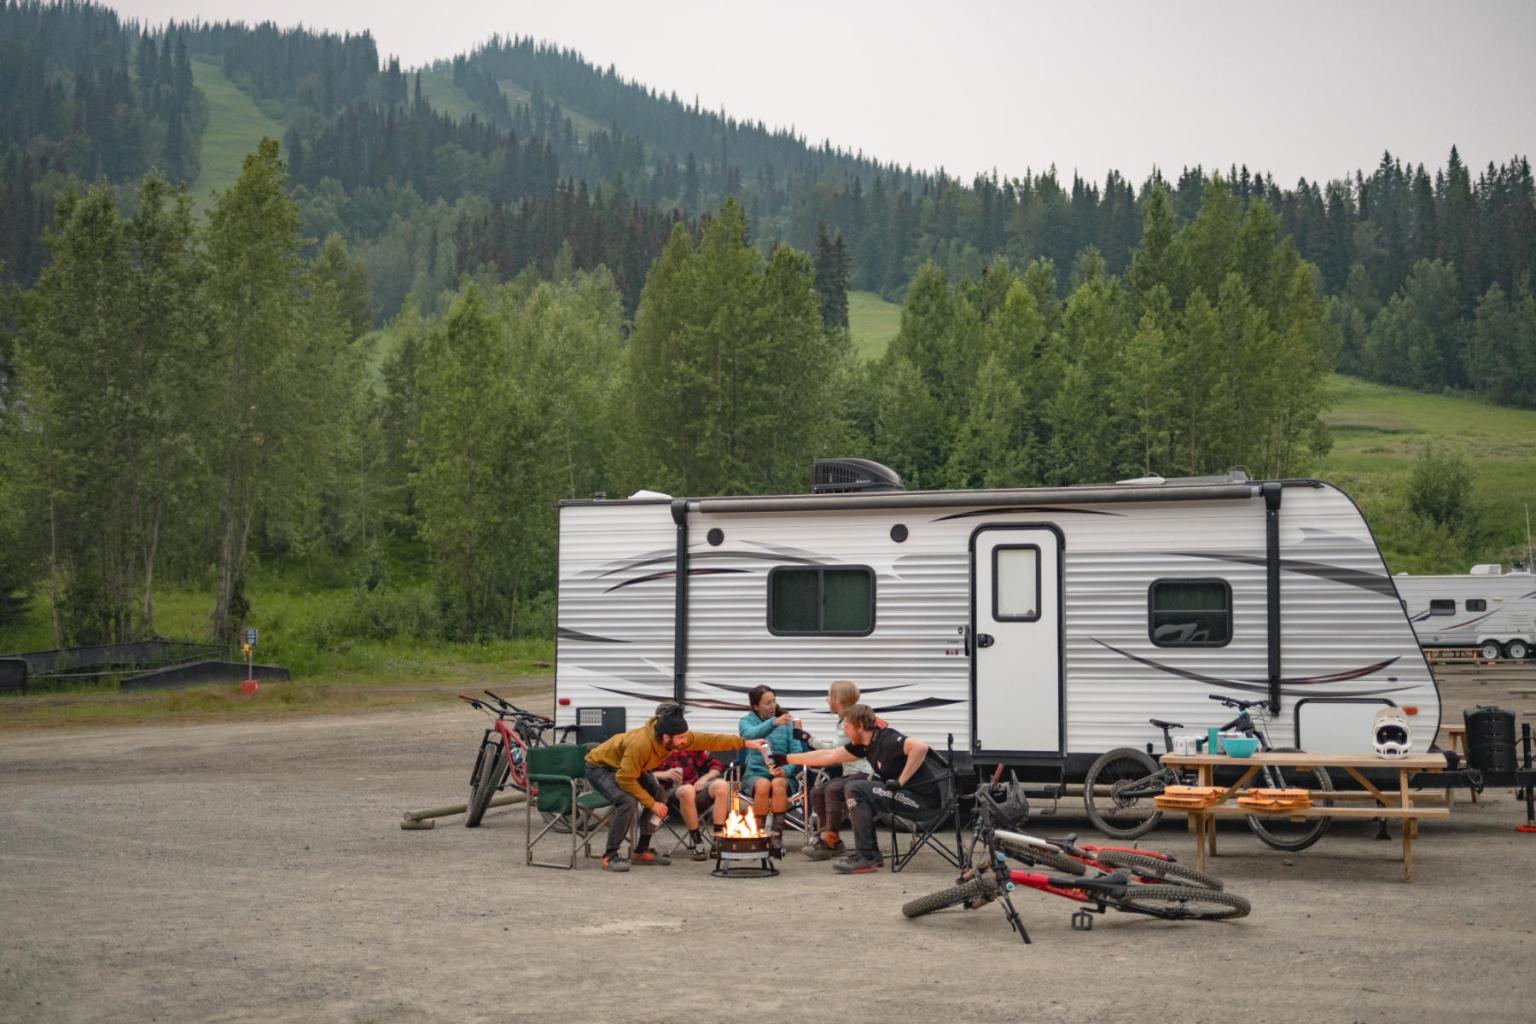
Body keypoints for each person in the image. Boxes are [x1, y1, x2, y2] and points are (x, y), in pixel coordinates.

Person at [584, 702, 767, 872]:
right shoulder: (640, 744)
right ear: (665, 738)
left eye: (685, 737)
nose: (684, 742)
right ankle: (610, 856)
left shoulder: (674, 736)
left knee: (661, 796)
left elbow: (712, 740)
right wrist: (651, 804)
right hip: (601, 767)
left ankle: (640, 851)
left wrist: (747, 743)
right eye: (680, 738)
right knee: (628, 801)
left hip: (630, 768)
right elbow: (625, 779)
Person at [783, 703, 942, 875]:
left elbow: (920, 747)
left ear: (859, 726)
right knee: (855, 788)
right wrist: (785, 759)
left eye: (847, 727)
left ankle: (866, 856)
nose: (845, 731)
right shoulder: (864, 745)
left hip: (921, 802)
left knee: (856, 787)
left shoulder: (887, 738)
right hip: (903, 795)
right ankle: (870, 854)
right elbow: (828, 756)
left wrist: (901, 781)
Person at [802, 679, 880, 861]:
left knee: (831, 788)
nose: (827, 699)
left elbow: (838, 748)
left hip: (867, 771)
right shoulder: (844, 719)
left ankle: (831, 840)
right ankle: (828, 838)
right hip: (852, 772)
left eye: (829, 695)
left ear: (839, 699)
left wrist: (809, 740)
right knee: (817, 791)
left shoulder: (853, 719)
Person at [736, 685, 800, 853]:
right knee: (763, 784)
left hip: (783, 774)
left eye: (774, 701)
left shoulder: (787, 724)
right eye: (767, 703)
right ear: (756, 706)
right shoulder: (746, 721)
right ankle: (759, 835)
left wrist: (786, 770)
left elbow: (797, 752)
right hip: (755, 775)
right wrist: (773, 723)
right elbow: (749, 735)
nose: (772, 706)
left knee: (778, 783)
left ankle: (776, 837)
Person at [655, 746, 726, 860]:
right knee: (687, 790)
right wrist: (664, 774)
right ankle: (698, 843)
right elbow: (640, 773)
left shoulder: (690, 747)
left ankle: (718, 842)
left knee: (721, 785)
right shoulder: (653, 749)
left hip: (696, 791)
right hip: (669, 797)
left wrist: (704, 779)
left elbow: (717, 766)